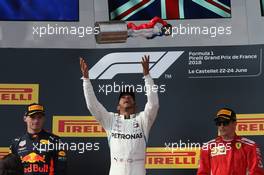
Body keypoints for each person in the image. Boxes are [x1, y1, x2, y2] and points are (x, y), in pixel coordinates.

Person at [80, 55, 159, 175]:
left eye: (130, 96)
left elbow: (153, 104)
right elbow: (92, 105)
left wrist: (147, 76)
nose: (126, 97)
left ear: (135, 105)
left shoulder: (143, 119)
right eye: (123, 96)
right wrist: (86, 80)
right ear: (118, 106)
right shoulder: (110, 119)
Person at [197, 107, 264, 175]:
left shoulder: (250, 146)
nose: (221, 126)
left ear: (235, 124)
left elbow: (257, 172)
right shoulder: (207, 147)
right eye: (219, 123)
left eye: (225, 123)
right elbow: (202, 172)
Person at [10, 103, 67, 175]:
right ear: (25, 118)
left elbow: (61, 169)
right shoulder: (16, 143)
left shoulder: (55, 140)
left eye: (39, 117)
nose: (36, 121)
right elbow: (11, 169)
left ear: (44, 119)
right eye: (32, 117)